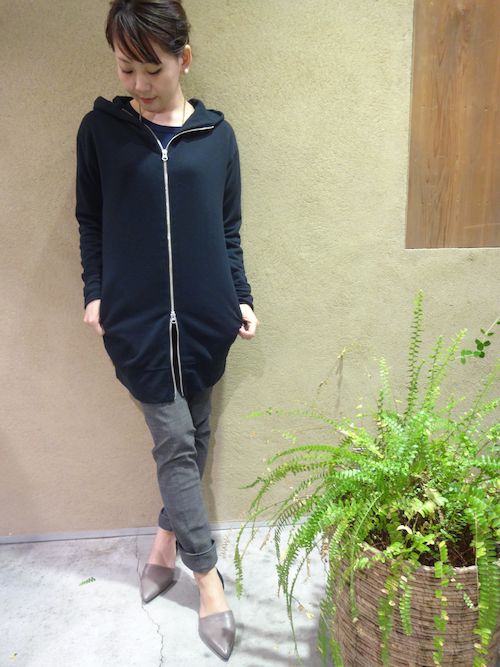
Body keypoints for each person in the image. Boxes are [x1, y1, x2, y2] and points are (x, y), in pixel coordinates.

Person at [75, 0, 258, 660]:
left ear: (185, 59)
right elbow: (91, 220)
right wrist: (95, 292)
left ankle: (163, 543)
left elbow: (228, 229)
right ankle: (207, 579)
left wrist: (242, 296)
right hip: (136, 321)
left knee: (195, 435)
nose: (139, 85)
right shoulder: (101, 132)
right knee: (176, 440)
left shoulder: (217, 137)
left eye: (152, 69)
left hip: (208, 317)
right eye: (126, 69)